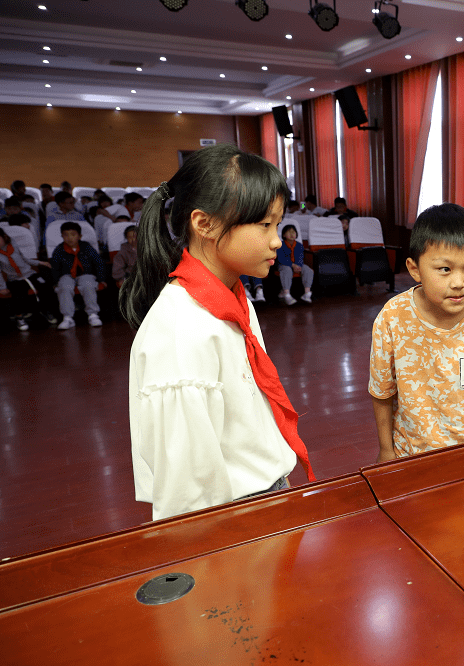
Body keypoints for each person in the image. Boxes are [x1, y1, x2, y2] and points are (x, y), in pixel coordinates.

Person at [119, 142, 316, 521]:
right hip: (235, 512)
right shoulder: (181, 330)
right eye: (264, 225)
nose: (277, 240)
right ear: (204, 223)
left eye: (277, 224)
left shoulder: (232, 296)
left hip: (267, 491)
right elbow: (188, 490)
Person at [369, 203, 464, 463]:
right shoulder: (392, 318)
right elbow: (382, 390)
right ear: (414, 268)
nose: (458, 283)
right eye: (445, 269)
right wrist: (386, 450)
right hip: (412, 454)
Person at [50, 221, 104, 329]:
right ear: (62, 236)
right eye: (66, 235)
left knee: (88, 284)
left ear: (80, 236)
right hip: (66, 275)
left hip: (86, 273)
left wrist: (102, 279)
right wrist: (55, 282)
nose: (70, 238)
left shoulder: (87, 247)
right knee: (64, 287)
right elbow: (54, 267)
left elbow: (98, 263)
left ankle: (92, 314)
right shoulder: (59, 250)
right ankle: (67, 317)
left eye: (73, 235)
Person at [0, 227, 46, 331]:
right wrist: (2, 287)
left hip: (29, 274)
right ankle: (19, 317)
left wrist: (40, 262)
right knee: (17, 294)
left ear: (4, 237)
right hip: (14, 278)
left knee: (44, 285)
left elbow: (24, 259)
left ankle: (46, 311)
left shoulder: (13, 245)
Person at [276, 224, 313, 305]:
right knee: (287, 270)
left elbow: (300, 257)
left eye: (293, 232)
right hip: (284, 265)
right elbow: (281, 259)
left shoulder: (299, 245)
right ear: (284, 235)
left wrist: (298, 265)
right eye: (289, 232)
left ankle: (307, 293)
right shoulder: (280, 245)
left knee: (308, 270)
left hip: (297, 265)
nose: (292, 234)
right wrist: (293, 265)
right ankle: (287, 294)